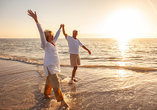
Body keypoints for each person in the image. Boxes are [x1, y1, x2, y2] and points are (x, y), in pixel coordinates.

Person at [27, 10, 69, 109]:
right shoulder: (45, 44)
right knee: (56, 82)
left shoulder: (53, 42)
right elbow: (41, 33)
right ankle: (61, 101)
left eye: (52, 35)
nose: (52, 36)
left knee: (49, 81)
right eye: (50, 35)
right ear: (47, 37)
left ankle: (46, 94)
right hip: (49, 66)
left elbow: (58, 35)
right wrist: (36, 20)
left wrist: (60, 28)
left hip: (53, 65)